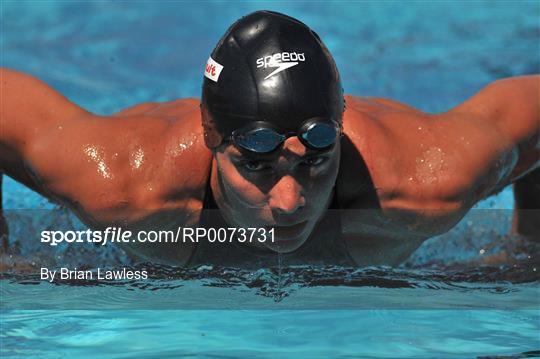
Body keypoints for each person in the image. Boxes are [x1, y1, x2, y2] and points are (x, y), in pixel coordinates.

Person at [0, 11, 538, 268]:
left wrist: (527, 251)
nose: (290, 202)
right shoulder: (124, 184)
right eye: (257, 167)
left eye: (314, 161)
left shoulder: (423, 182)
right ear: (211, 136)